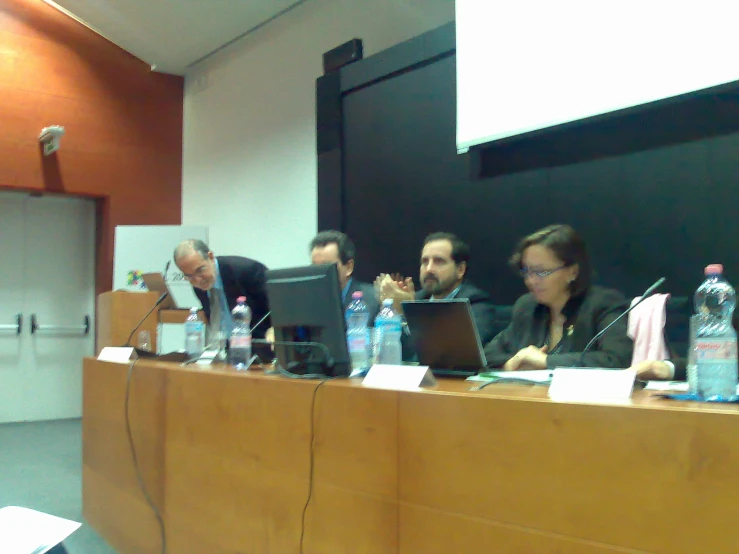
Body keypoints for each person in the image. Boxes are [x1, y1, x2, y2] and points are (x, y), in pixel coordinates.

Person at [484, 224, 633, 370]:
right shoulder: (528, 306)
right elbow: (488, 354)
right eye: (527, 271)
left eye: (541, 272)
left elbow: (616, 359)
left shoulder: (603, 304)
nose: (531, 280)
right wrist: (510, 363)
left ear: (572, 272)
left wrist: (547, 361)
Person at [376, 232, 497, 358]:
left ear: (460, 270)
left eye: (439, 261)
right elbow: (397, 354)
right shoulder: (417, 299)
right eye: (425, 261)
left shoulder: (477, 304)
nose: (428, 269)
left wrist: (410, 315)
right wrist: (395, 312)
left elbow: (450, 354)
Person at [173, 239, 271, 340]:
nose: (197, 280)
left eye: (200, 270)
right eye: (189, 276)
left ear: (210, 257)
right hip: (229, 348)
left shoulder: (247, 270)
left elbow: (278, 309)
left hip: (263, 345)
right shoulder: (198, 284)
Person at [310, 230, 379, 323]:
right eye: (315, 267)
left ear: (348, 267)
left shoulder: (374, 300)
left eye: (326, 266)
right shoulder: (307, 301)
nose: (319, 272)